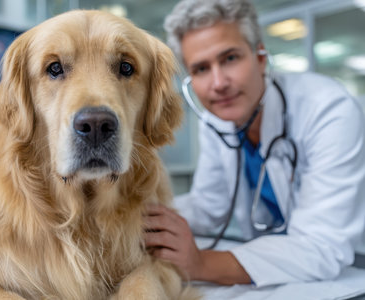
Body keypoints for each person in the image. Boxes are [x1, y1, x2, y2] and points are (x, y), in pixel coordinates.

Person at [144, 0, 365, 287]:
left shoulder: (328, 110)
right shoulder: (217, 122)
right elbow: (209, 208)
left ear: (260, 57)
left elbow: (321, 245)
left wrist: (200, 263)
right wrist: (142, 216)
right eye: (200, 69)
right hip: (286, 271)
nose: (218, 82)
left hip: (353, 266)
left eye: (230, 58)